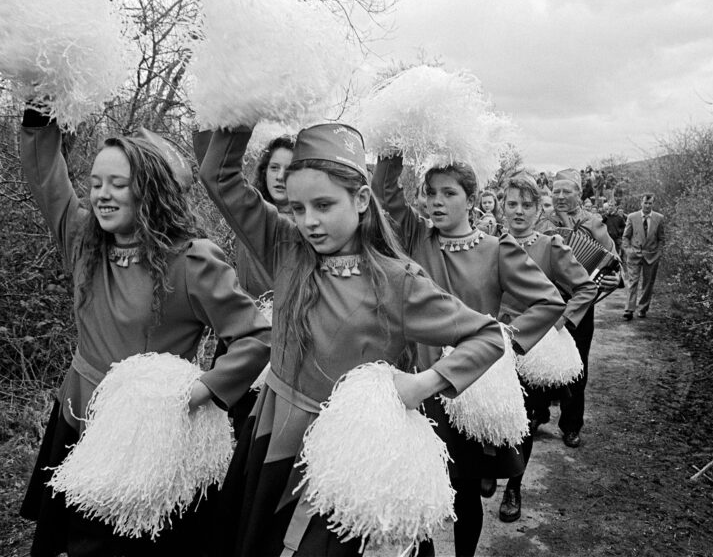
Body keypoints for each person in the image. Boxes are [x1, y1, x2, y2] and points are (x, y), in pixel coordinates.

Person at [197, 124, 505, 557]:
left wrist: (424, 384)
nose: (309, 222)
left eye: (324, 205)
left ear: (361, 200)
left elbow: (487, 334)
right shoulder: (284, 246)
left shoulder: (398, 282)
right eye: (298, 207)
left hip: (352, 457)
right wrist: (241, 105)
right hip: (274, 435)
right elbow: (219, 177)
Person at [18, 107, 272, 557]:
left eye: (118, 184)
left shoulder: (192, 261)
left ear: (150, 192)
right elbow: (45, 178)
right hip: (78, 418)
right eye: (96, 184)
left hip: (145, 438)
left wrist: (199, 392)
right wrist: (42, 111)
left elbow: (257, 335)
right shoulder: (82, 239)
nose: (102, 195)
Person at [372, 154, 564, 557]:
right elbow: (384, 191)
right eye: (430, 193)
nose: (436, 202)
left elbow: (549, 301)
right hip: (414, 382)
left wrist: (504, 343)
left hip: (467, 389)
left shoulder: (497, 250)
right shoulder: (414, 236)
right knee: (417, 485)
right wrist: (395, 141)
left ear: (472, 199)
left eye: (449, 193)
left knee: (463, 492)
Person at [497, 171, 598, 522]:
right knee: (493, 415)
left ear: (539, 209)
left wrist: (559, 320)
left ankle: (513, 487)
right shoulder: (486, 243)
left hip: (530, 346)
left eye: (527, 204)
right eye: (512, 204)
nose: (518, 211)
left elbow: (586, 288)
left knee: (523, 418)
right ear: (501, 208)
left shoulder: (551, 245)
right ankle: (487, 468)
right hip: (490, 344)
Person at [196, 133, 296, 437]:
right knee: (224, 425)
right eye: (274, 168)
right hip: (242, 333)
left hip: (284, 341)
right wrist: (216, 114)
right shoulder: (251, 213)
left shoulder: (303, 227)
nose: (280, 177)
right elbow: (213, 167)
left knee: (258, 429)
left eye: (289, 170)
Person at [544, 168, 621, 448]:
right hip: (544, 301)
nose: (561, 196)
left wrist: (617, 278)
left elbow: (613, 261)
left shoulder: (594, 223)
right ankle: (538, 412)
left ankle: (571, 424)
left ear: (579, 194)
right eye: (556, 191)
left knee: (577, 365)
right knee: (537, 357)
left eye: (567, 191)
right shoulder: (542, 220)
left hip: (580, 304)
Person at [622, 194, 665, 319]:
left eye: (650, 203)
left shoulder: (659, 218)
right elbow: (625, 236)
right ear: (641, 203)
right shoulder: (632, 217)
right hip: (634, 254)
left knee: (648, 283)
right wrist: (628, 250)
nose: (647, 206)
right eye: (645, 203)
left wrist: (658, 253)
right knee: (632, 281)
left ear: (653, 204)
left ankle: (642, 308)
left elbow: (661, 238)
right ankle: (629, 309)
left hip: (651, 256)